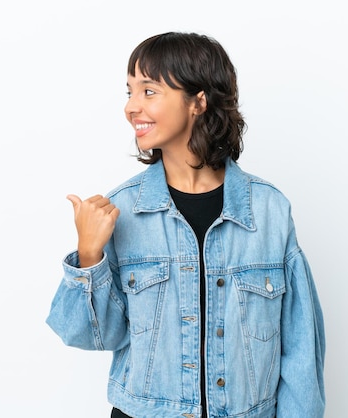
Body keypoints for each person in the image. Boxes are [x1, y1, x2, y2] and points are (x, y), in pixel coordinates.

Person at [46, 31, 325, 418]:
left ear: (198, 101)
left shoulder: (268, 210)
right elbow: (87, 335)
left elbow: (300, 352)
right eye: (129, 92)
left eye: (149, 91)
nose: (131, 108)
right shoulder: (121, 209)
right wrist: (89, 255)